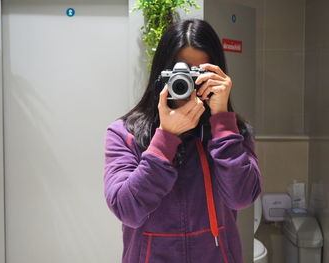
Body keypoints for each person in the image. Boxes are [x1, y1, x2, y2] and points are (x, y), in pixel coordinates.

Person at [103, 18, 262, 263]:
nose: (190, 84)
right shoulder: (125, 133)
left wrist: (222, 122)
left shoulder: (233, 132)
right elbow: (127, 210)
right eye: (182, 72)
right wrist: (165, 140)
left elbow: (241, 198)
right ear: (162, 75)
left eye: (201, 74)